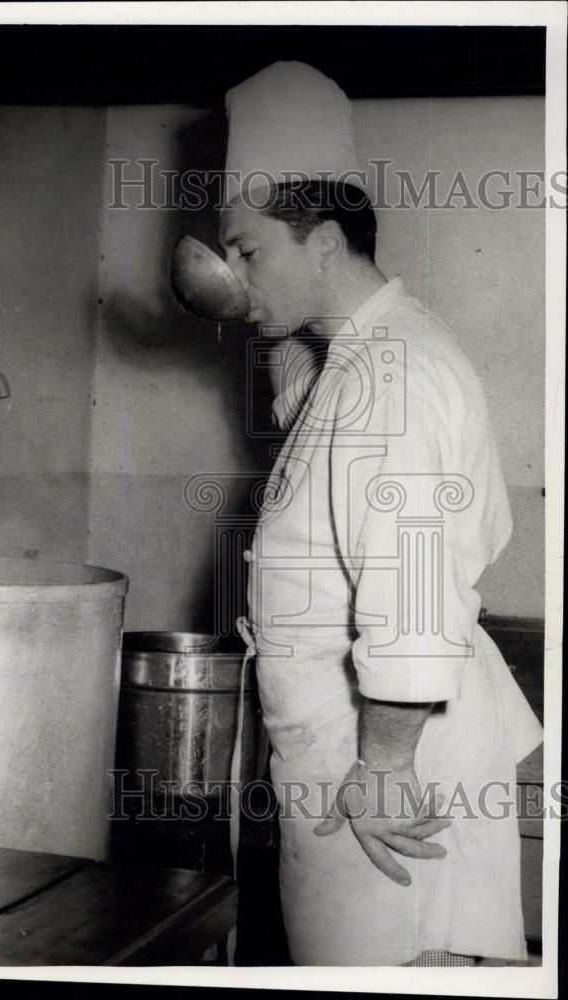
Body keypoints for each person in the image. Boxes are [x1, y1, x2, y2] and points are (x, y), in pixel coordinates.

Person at [219, 62, 543, 966]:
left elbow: (408, 592)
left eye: (247, 253)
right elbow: (307, 436)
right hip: (346, 761)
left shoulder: (389, 378)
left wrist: (387, 770)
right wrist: (267, 305)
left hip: (386, 777)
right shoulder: (355, 361)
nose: (232, 279)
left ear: (323, 242)